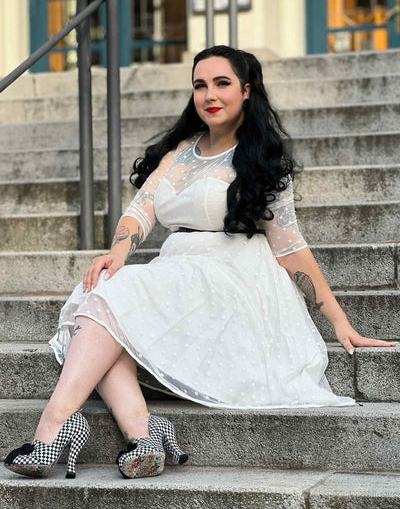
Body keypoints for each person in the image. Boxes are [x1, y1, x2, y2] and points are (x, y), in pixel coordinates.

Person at [4, 45, 397, 480]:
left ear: (247, 91)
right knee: (102, 294)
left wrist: (339, 321)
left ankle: (52, 429)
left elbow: (290, 249)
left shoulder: (262, 159)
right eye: (199, 85)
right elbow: (140, 210)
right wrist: (116, 254)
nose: (209, 94)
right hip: (179, 271)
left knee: (113, 304)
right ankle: (143, 433)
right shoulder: (179, 153)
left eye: (222, 83)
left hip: (233, 279)